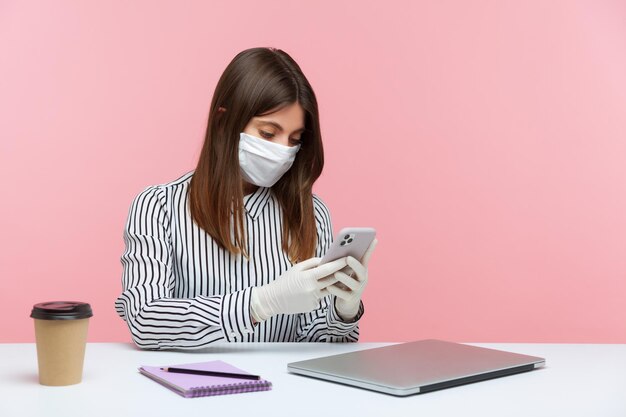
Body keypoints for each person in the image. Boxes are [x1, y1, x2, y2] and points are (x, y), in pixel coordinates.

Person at [114, 47, 377, 350]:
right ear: (225, 122)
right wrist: (261, 303)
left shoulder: (311, 213)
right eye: (268, 134)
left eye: (294, 140)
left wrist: (343, 311)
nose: (283, 151)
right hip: (195, 388)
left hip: (286, 393)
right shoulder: (158, 207)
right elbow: (146, 320)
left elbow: (317, 342)